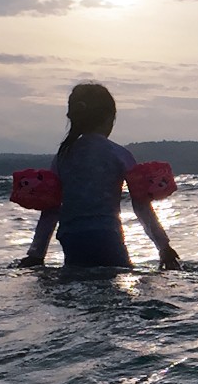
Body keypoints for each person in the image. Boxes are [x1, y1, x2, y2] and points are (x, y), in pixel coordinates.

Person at [20, 82, 183, 270]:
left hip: (71, 238)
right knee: (113, 286)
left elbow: (50, 209)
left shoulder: (63, 156)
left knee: (78, 287)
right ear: (109, 118)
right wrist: (163, 246)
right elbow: (141, 205)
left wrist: (37, 254)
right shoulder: (118, 154)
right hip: (106, 235)